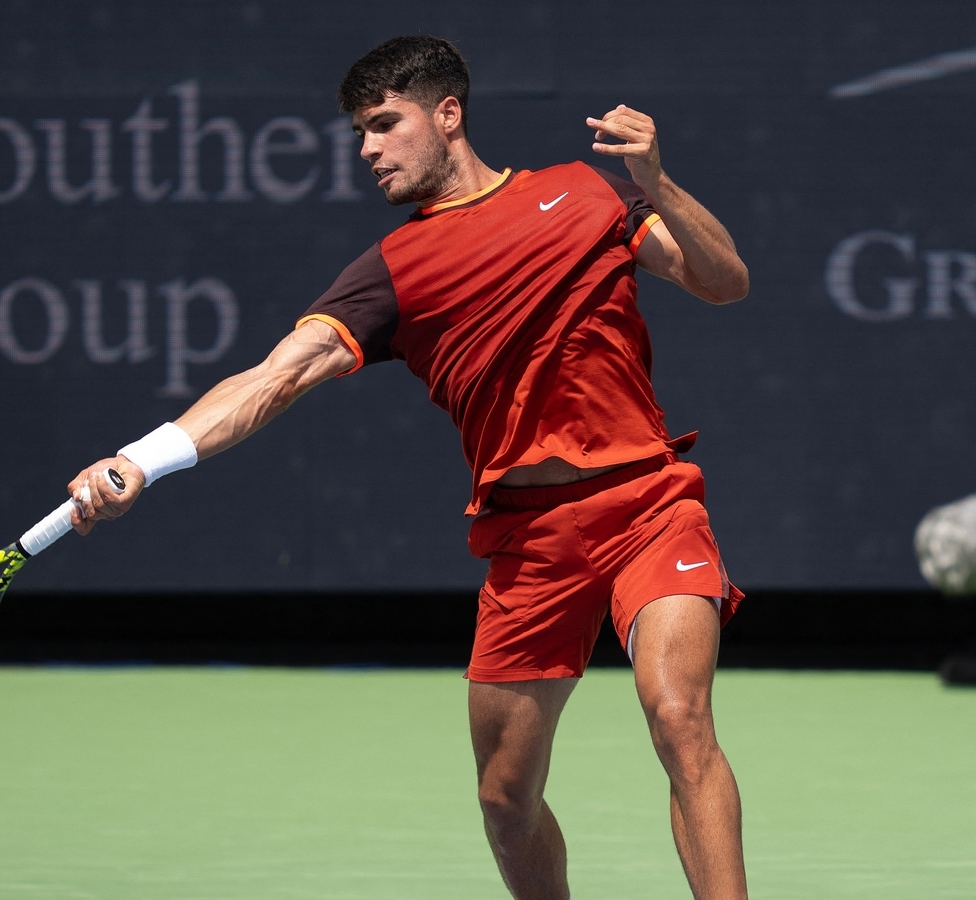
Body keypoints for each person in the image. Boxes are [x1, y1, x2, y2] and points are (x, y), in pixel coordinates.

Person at [65, 34, 749, 900]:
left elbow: (725, 281)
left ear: (448, 114)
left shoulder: (584, 193)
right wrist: (141, 459)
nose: (367, 150)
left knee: (680, 718)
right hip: (529, 545)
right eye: (359, 132)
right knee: (505, 800)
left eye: (384, 125)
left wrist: (657, 182)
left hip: (649, 504)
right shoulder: (389, 272)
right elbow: (274, 377)